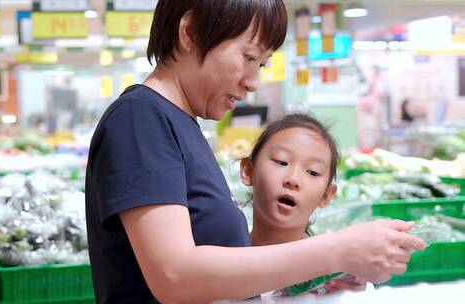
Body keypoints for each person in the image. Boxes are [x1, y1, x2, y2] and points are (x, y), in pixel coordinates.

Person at [85, 1, 425, 303]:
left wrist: (301, 276)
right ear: (189, 32)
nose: (252, 82)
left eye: (261, 65)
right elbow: (175, 276)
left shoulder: (181, 122)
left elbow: (212, 271)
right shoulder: (141, 118)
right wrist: (335, 251)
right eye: (248, 57)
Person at [240, 113, 366, 295]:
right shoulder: (223, 260)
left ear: (326, 195)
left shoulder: (334, 275)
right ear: (248, 171)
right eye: (281, 162)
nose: (293, 179)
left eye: (313, 172)